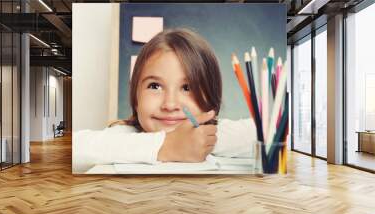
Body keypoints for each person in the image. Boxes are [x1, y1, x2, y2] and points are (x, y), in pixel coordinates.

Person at [74, 28, 256, 173]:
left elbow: (269, 134)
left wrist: (202, 141)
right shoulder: (125, 133)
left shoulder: (215, 132)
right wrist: (167, 146)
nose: (170, 104)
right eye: (154, 86)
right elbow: (77, 148)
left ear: (211, 100)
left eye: (187, 88)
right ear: (135, 97)